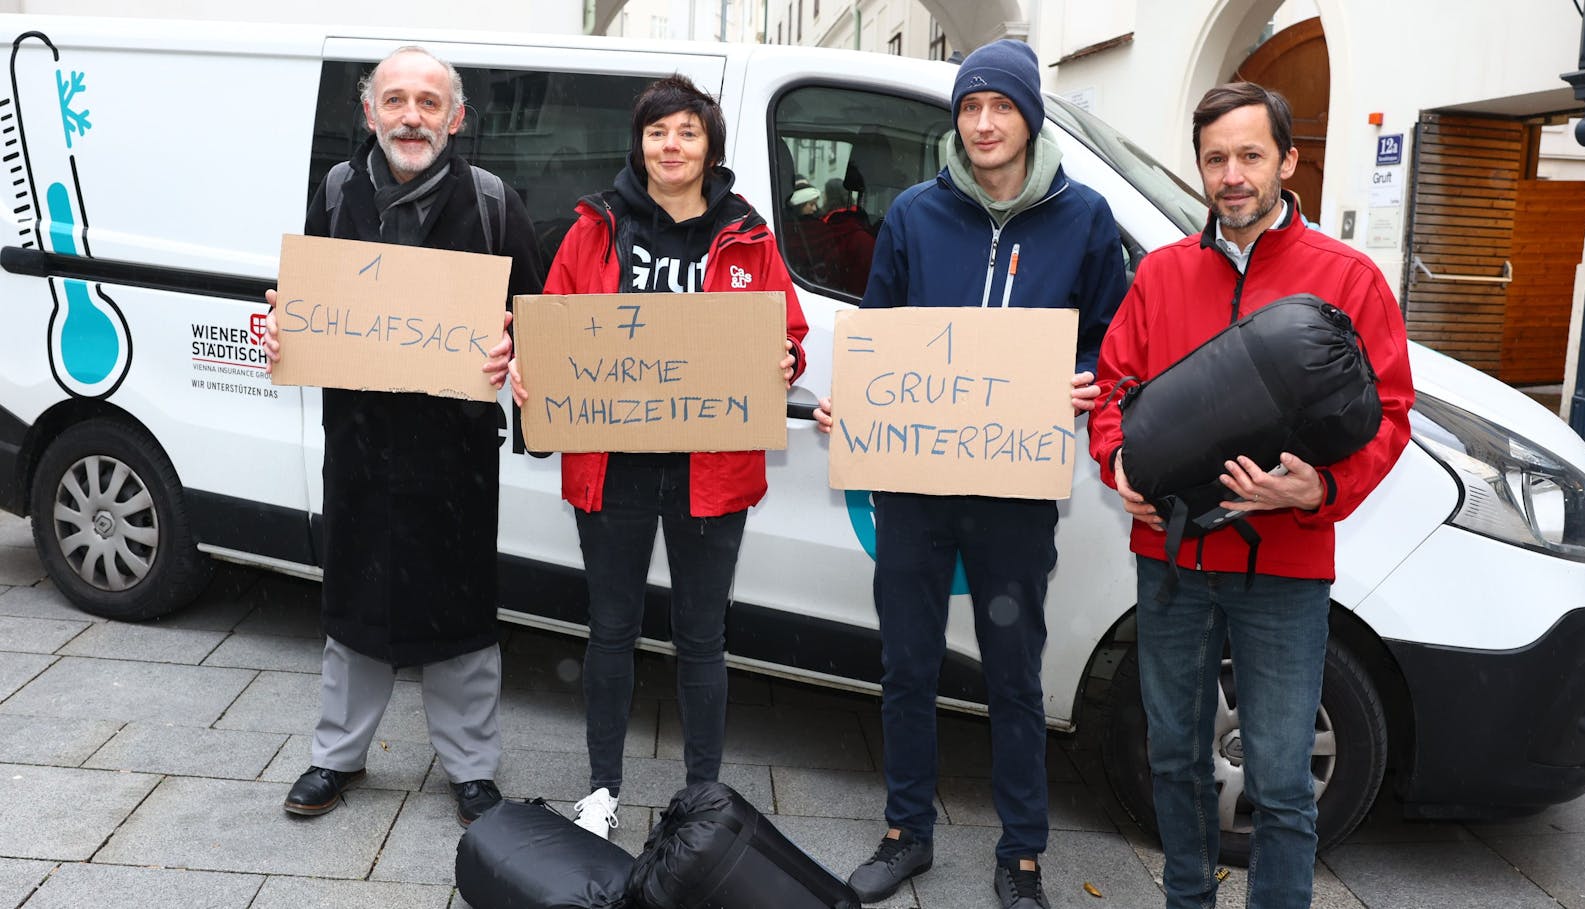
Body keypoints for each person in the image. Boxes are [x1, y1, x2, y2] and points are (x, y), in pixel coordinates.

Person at [812, 39, 1127, 909]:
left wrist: (1087, 374)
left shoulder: (1085, 218)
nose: (984, 123)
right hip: (914, 482)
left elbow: (1113, 337)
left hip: (1014, 489)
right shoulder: (915, 212)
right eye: (970, 107)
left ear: (1029, 116)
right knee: (907, 662)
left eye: (1001, 107)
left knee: (1014, 670)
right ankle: (906, 830)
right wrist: (858, 405)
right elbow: (880, 329)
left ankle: (1021, 853)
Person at [1086, 82, 1414, 908]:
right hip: (1171, 562)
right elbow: (1114, 392)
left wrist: (1322, 484)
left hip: (1286, 568)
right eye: (1215, 158)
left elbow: (1393, 413)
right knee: (1173, 758)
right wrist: (1116, 466)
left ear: (1289, 160)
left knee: (1279, 777)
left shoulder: (1347, 278)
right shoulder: (1160, 274)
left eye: (1249, 155)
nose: (1231, 175)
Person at [510, 74, 807, 840]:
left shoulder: (748, 236)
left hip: (713, 468)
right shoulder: (593, 230)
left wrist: (784, 362)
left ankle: (701, 799)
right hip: (614, 465)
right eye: (656, 132)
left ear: (710, 145)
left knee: (702, 636)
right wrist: (529, 367)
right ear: (638, 143)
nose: (670, 146)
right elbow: (554, 331)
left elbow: (789, 336)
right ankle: (603, 791)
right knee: (610, 629)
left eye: (686, 131)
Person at [262, 46, 543, 828]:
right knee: (352, 599)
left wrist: (514, 352)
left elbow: (541, 325)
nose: (411, 116)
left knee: (460, 613)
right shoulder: (338, 189)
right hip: (358, 441)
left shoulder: (493, 204)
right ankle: (337, 756)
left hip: (453, 453)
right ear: (369, 113)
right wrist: (284, 332)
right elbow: (307, 309)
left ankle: (473, 771)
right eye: (395, 101)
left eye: (428, 102)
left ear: (455, 118)